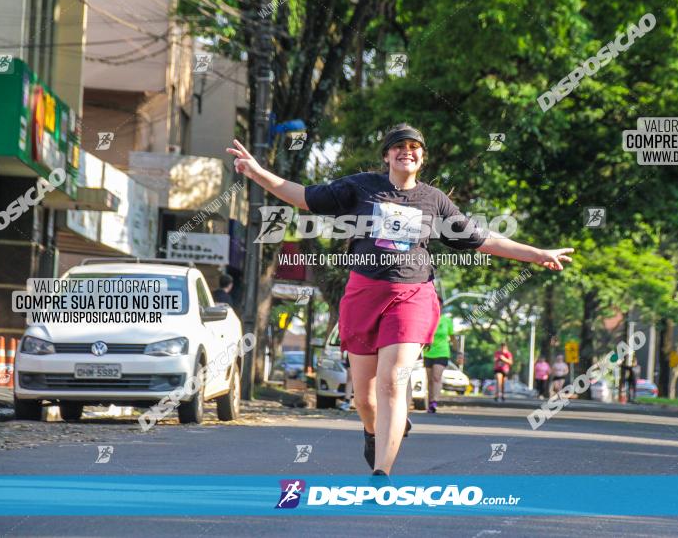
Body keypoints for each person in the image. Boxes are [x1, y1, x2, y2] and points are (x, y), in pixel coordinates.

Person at [228, 123, 574, 477]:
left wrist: (534, 254)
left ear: (422, 157)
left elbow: (480, 238)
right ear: (386, 155)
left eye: (414, 147)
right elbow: (303, 196)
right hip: (363, 295)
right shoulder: (361, 186)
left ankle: (382, 473)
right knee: (364, 399)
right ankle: (374, 429)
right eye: (399, 146)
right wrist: (257, 173)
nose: (407, 151)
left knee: (392, 381)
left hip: (412, 295)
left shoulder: (434, 199)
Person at [424, 296, 456, 413]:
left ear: (442, 306)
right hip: (428, 352)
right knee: (429, 380)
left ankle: (434, 401)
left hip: (442, 352)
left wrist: (459, 352)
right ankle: (430, 402)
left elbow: (452, 337)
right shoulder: (427, 318)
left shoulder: (447, 321)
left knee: (436, 377)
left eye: (439, 304)